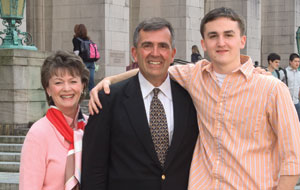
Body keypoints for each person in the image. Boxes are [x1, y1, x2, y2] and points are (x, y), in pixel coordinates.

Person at [89, 7, 300, 190]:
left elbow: (293, 159)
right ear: (204, 43)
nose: (221, 42)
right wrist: (109, 79)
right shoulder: (194, 76)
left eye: (228, 35)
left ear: (242, 40)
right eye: (213, 36)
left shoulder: (272, 89)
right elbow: (155, 68)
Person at [81, 17, 198, 190]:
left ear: (172, 54)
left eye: (163, 46)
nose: (155, 53)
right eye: (147, 45)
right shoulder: (107, 100)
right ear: (134, 53)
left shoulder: (191, 98)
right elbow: (93, 170)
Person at [19, 50, 89, 190]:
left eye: (73, 81)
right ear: (48, 89)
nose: (67, 88)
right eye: (58, 82)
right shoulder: (38, 134)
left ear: (82, 86)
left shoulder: (91, 126)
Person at [73, 24, 95, 92]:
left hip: (82, 62)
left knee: (81, 78)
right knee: (91, 79)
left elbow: (76, 51)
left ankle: (81, 92)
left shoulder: (76, 39)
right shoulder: (88, 39)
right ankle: (92, 94)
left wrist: (74, 60)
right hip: (91, 62)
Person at [286, 53, 300, 121]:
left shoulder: (299, 74)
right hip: (286, 103)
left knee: (297, 122)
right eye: (295, 61)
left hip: (296, 103)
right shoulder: (284, 72)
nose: (297, 63)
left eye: (298, 61)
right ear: (290, 62)